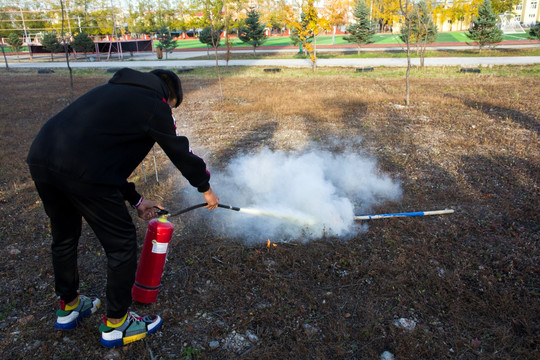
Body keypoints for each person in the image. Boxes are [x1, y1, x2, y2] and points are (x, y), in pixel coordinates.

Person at [26, 68, 219, 348]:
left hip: (43, 160)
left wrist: (137, 200)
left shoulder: (112, 93)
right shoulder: (155, 104)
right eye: (173, 106)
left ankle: (69, 307)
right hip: (83, 173)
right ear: (169, 95)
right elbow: (180, 150)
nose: (170, 112)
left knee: (65, 237)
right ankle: (117, 324)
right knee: (121, 245)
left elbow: (104, 157)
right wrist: (206, 188)